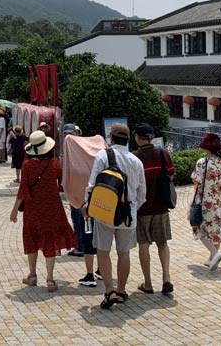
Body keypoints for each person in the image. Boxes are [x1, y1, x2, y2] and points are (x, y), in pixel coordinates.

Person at [84, 123, 146, 309]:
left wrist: (88, 204)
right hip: (128, 214)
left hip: (105, 210)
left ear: (110, 138)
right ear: (129, 139)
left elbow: (93, 183)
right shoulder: (136, 161)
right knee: (123, 252)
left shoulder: (103, 155)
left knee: (103, 251)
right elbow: (142, 193)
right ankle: (120, 290)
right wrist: (133, 207)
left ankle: (109, 290)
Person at [9, 131, 76, 292]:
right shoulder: (54, 164)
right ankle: (50, 279)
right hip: (53, 207)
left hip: (33, 209)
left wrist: (14, 210)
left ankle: (32, 275)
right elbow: (62, 184)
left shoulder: (27, 166)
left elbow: (23, 190)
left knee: (31, 238)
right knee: (50, 240)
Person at [132, 124, 176, 294]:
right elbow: (171, 174)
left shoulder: (134, 157)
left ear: (138, 137)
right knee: (162, 243)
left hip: (141, 208)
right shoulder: (162, 153)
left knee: (144, 244)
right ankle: (166, 279)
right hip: (161, 207)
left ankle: (148, 283)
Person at [60, 123, 100, 286]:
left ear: (78, 131)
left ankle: (91, 268)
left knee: (87, 229)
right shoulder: (78, 148)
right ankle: (84, 250)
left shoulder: (77, 146)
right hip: (86, 193)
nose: (68, 136)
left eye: (70, 133)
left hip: (87, 195)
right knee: (85, 226)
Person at [192, 133, 221, 271]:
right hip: (220, 200)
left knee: (199, 227)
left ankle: (215, 254)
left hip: (205, 199)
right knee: (216, 227)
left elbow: (195, 181)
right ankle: (211, 258)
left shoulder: (202, 162)